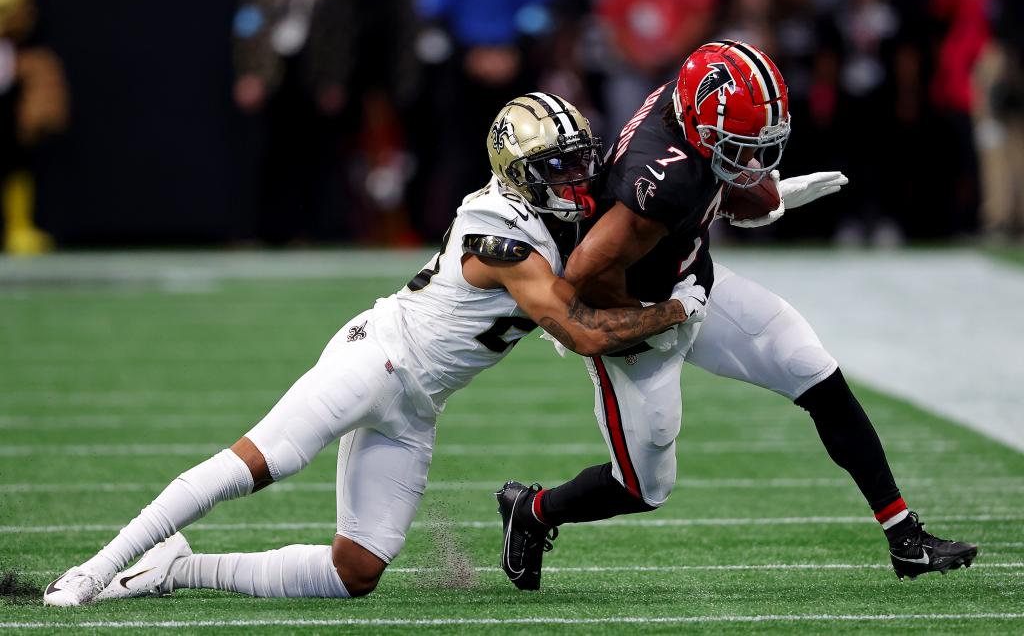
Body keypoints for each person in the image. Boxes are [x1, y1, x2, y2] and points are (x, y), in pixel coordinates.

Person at [41, 93, 708, 607]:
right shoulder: (498, 228)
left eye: (582, 160)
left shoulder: (555, 212)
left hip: (419, 404)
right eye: (559, 167)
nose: (579, 177)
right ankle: (93, 569)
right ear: (519, 172)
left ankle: (174, 569)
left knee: (355, 570)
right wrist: (677, 309)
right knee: (257, 462)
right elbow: (584, 330)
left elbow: (624, 231)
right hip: (378, 358)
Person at [496, 41, 978, 591]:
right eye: (740, 144)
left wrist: (770, 200)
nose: (752, 158)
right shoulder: (660, 175)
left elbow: (715, 184)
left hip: (690, 281)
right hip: (634, 318)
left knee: (812, 369)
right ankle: (532, 511)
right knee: (643, 487)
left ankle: (904, 538)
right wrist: (648, 321)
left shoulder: (693, 111)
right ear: (702, 127)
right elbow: (583, 270)